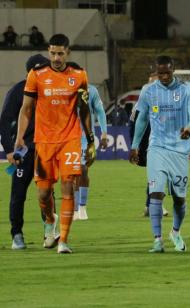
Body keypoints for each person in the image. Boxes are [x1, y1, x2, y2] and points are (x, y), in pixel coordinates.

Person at [14, 33, 96, 254]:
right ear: (48, 52)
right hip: (44, 142)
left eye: (60, 53)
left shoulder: (79, 75)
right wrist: (20, 137)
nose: (57, 57)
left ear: (67, 52)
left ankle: (64, 241)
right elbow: (26, 109)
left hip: (69, 139)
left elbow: (84, 110)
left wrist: (90, 142)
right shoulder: (37, 75)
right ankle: (51, 220)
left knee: (68, 188)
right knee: (43, 193)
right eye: (53, 53)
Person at [130, 55, 190, 253]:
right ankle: (157, 240)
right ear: (156, 72)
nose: (164, 76)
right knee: (156, 193)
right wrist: (135, 146)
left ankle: (175, 232)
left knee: (179, 199)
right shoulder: (148, 91)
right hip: (157, 148)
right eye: (160, 73)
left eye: (167, 72)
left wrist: (189, 127)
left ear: (173, 70)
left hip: (179, 149)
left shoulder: (187, 89)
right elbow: (142, 119)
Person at [0, 54, 49, 249]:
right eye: (36, 70)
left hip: (46, 148)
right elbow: (4, 122)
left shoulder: (51, 90)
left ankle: (49, 230)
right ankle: (17, 234)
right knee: (18, 193)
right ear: (29, 72)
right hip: (25, 150)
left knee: (46, 192)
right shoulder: (18, 91)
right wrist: (10, 151)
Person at [129, 73, 169, 217]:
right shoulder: (141, 105)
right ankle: (154, 205)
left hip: (164, 142)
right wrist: (136, 146)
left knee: (158, 174)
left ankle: (150, 205)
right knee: (157, 174)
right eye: (150, 83)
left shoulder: (167, 101)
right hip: (150, 144)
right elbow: (133, 125)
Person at [73, 84, 108, 220]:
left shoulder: (91, 90)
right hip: (67, 138)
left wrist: (104, 134)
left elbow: (99, 111)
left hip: (85, 139)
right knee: (71, 175)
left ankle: (82, 207)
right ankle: (75, 209)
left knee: (83, 170)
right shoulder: (63, 88)